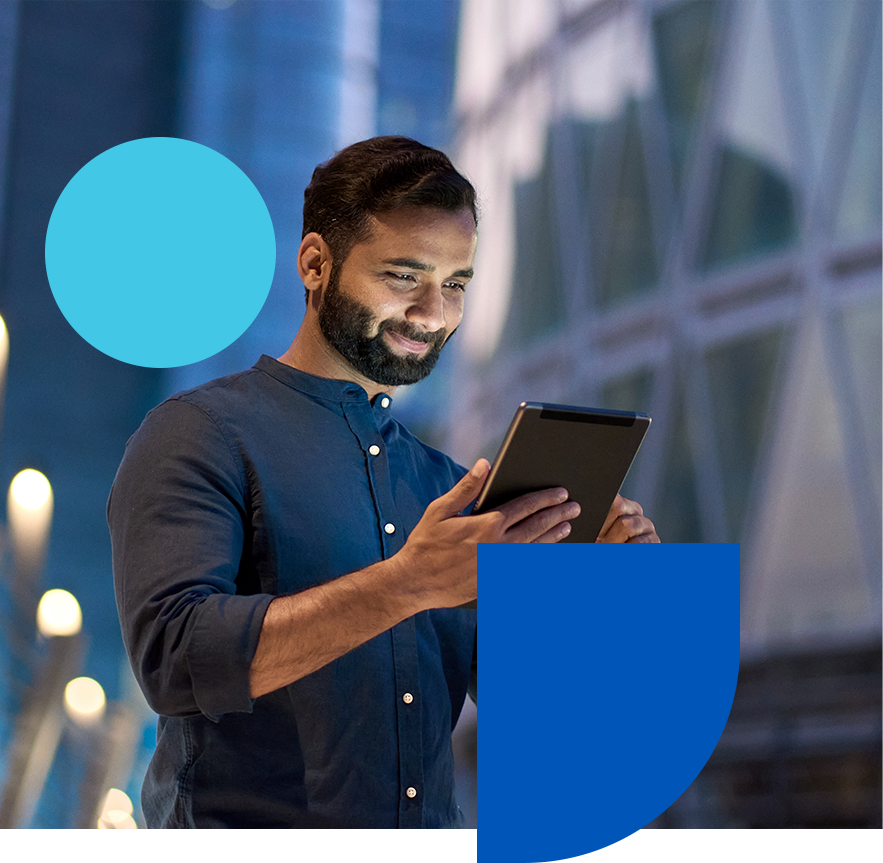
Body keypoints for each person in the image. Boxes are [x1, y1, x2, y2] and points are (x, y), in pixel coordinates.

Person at [108, 136, 658, 830]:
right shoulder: (200, 433)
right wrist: (409, 582)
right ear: (314, 262)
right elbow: (176, 659)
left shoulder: (449, 491)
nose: (433, 312)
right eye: (404, 276)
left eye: (455, 283)